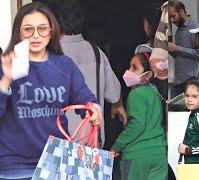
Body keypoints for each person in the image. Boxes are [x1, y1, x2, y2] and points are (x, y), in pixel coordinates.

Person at [0, 2, 101, 179]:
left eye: (42, 28)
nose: (36, 35)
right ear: (19, 32)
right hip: (14, 169)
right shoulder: (6, 66)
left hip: (55, 165)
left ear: (51, 31)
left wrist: (93, 109)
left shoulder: (64, 65)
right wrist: (6, 79)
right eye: (28, 29)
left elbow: (84, 97)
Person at [47, 0, 126, 142]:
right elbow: (114, 93)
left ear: (55, 23)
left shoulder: (50, 54)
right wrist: (118, 104)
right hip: (91, 140)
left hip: (59, 142)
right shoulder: (96, 53)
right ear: (82, 21)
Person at [111, 53, 167, 180]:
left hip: (137, 155)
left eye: (134, 68)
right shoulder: (155, 91)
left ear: (148, 75)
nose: (129, 71)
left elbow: (137, 125)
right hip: (158, 154)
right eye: (130, 67)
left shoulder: (136, 94)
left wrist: (117, 146)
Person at [168, 0, 199, 98]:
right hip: (178, 81)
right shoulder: (178, 29)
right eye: (170, 18)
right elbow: (178, 54)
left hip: (190, 80)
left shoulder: (196, 27)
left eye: (173, 16)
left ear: (181, 12)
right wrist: (170, 50)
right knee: (172, 110)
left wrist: (177, 48)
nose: (172, 20)